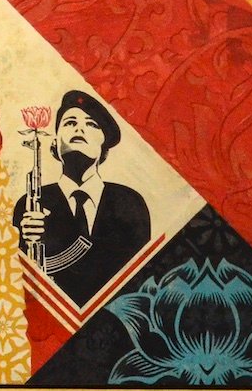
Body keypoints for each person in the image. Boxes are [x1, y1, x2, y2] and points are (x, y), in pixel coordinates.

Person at [14, 89, 153, 303]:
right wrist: (26, 243)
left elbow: (142, 276)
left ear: (103, 148)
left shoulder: (129, 202)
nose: (79, 128)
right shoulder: (32, 203)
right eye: (69, 123)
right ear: (55, 143)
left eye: (92, 124)